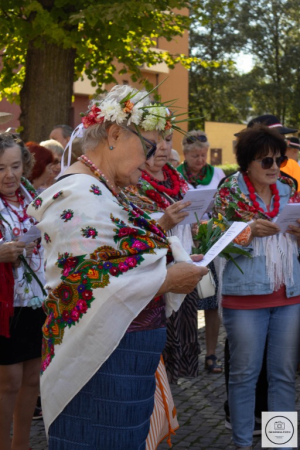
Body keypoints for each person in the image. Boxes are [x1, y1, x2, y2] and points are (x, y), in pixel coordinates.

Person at [28, 85, 208, 450]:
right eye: (151, 145)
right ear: (113, 134)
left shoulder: (103, 188)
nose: (157, 156)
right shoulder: (78, 193)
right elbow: (86, 282)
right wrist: (168, 278)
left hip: (121, 357)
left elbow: (117, 260)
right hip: (100, 368)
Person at [214, 124, 300, 450]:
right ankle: (242, 444)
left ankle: (281, 444)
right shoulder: (228, 192)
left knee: (283, 375)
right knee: (244, 375)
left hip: (289, 293)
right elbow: (213, 242)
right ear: (248, 162)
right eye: (266, 162)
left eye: (279, 159)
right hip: (245, 296)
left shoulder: (290, 188)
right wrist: (247, 232)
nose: (275, 168)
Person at [125, 131, 199, 383]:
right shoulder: (130, 181)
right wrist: (165, 223)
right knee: (157, 355)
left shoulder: (175, 176)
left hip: (182, 265)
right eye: (154, 141)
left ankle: (172, 404)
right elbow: (131, 237)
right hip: (154, 275)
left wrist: (198, 225)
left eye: (167, 139)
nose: (163, 147)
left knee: (182, 332)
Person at [0, 132, 46, 450]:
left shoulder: (33, 198)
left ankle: (22, 444)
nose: (9, 175)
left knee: (32, 378)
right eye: (1, 168)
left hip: (36, 300)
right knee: (9, 381)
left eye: (15, 166)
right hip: (5, 304)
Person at [177, 130, 225, 373]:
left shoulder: (217, 174)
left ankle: (212, 354)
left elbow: (225, 207)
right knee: (185, 300)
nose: (200, 159)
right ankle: (186, 352)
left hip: (209, 242)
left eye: (203, 154)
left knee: (211, 299)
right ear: (185, 154)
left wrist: (210, 223)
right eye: (195, 155)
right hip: (184, 242)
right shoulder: (175, 176)